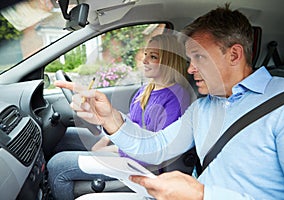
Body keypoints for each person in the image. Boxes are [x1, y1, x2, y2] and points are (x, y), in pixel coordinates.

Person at [54, 4, 284, 200]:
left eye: (199, 58)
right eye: (189, 58)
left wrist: (204, 195)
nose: (190, 69)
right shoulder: (203, 107)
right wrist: (111, 119)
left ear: (234, 54)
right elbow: (157, 145)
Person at [47, 33, 195, 200]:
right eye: (145, 54)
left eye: (152, 57)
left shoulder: (176, 98)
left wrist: (111, 148)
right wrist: (106, 137)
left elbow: (155, 151)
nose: (144, 60)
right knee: (64, 137)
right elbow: (133, 118)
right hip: (127, 146)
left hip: (137, 163)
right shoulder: (148, 88)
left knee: (57, 165)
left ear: (169, 62)